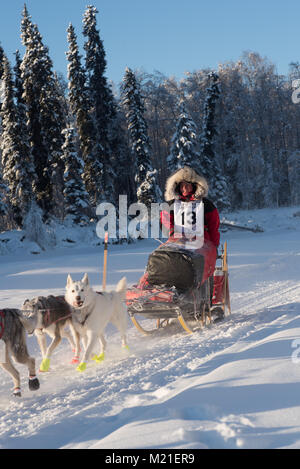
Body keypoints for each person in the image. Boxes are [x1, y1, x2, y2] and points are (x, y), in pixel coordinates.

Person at [160, 166, 220, 248]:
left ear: (195, 186)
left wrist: (214, 246)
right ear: (177, 187)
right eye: (182, 186)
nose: (184, 188)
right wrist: (172, 232)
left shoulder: (206, 205)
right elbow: (165, 221)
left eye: (187, 185)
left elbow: (213, 227)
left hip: (202, 244)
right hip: (178, 242)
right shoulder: (171, 205)